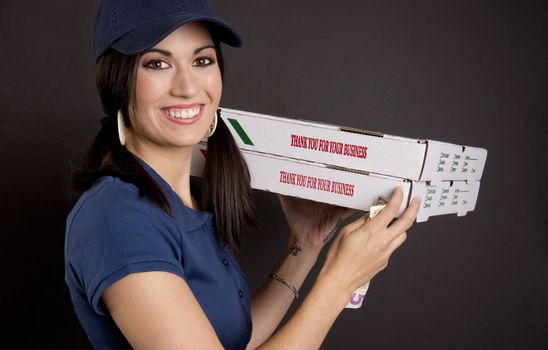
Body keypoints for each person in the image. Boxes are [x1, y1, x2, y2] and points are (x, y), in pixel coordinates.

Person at [64, 0, 421, 349]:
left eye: (203, 60)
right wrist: (337, 283)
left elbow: (235, 340)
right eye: (157, 64)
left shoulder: (188, 201)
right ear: (115, 81)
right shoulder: (116, 216)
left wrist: (305, 245)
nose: (188, 87)